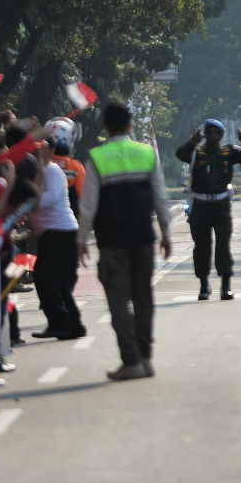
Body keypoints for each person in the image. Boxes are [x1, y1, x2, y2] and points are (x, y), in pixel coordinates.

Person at [78, 102, 172, 380]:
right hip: (143, 237)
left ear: (104, 126)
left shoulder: (97, 157)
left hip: (112, 241)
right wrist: (166, 233)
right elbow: (160, 196)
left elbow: (88, 205)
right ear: (130, 124)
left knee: (119, 300)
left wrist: (81, 238)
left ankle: (130, 360)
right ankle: (145, 357)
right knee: (143, 298)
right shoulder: (146, 153)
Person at [175, 119, 241, 301]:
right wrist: (192, 142)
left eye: (217, 132)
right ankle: (204, 285)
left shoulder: (229, 151)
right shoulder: (197, 152)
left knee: (223, 246)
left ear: (222, 135)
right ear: (205, 134)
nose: (213, 135)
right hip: (201, 205)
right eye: (209, 132)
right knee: (202, 248)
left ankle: (226, 286)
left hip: (221, 206)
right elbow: (180, 154)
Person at [29, 121, 87, 340]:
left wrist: (30, 203)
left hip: (60, 233)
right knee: (57, 283)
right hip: (52, 233)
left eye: (42, 147)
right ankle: (73, 326)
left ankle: (61, 324)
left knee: (46, 280)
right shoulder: (37, 171)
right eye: (35, 148)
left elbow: (48, 199)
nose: (38, 151)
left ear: (51, 151)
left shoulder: (52, 170)